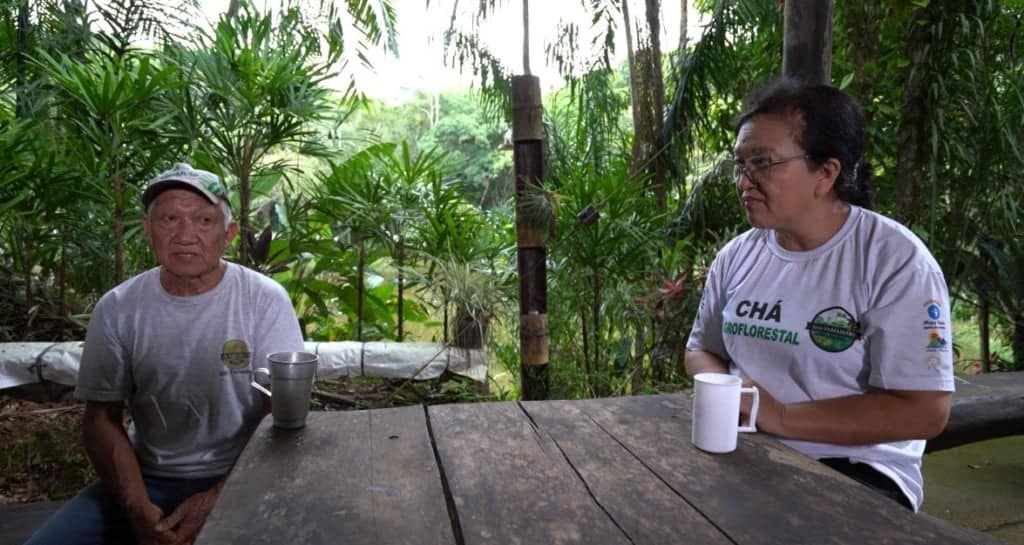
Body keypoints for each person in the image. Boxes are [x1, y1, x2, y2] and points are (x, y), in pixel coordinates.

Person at [684, 79, 954, 512]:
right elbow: (701, 349)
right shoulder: (737, 256)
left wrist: (781, 416)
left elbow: (925, 411)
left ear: (825, 174)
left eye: (763, 163)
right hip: (746, 451)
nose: (744, 181)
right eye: (740, 164)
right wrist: (729, 388)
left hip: (857, 469)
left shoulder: (893, 260)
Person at [27, 163, 305, 545]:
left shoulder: (263, 300)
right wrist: (137, 507)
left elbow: (285, 418)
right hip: (147, 477)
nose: (185, 235)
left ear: (229, 234)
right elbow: (100, 419)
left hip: (243, 472)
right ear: (148, 231)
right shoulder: (119, 308)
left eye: (204, 220)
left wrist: (219, 497)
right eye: (169, 219)